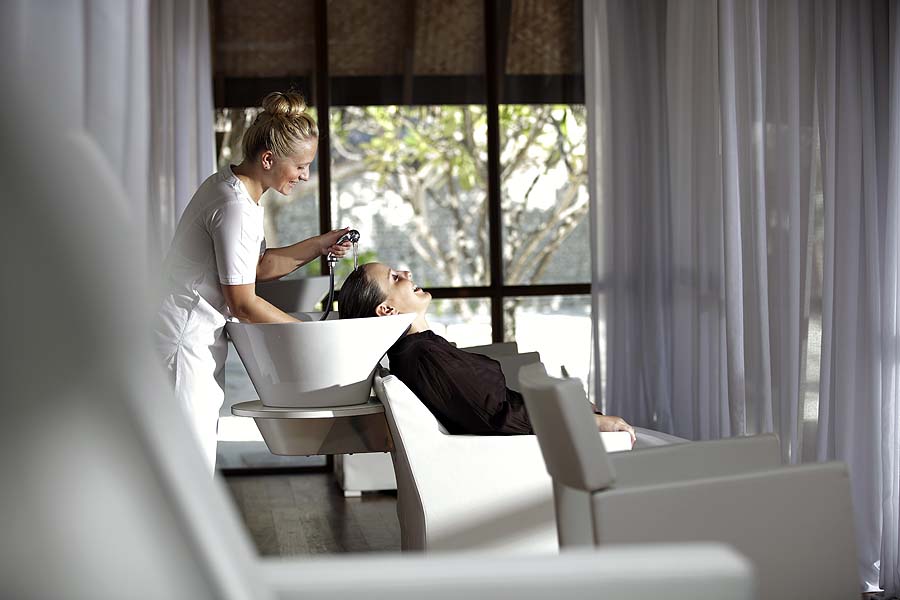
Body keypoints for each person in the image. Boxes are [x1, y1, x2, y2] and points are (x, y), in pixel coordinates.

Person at [155, 91, 351, 469]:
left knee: (183, 466)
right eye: (300, 166)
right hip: (182, 344)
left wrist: (318, 245)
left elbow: (254, 268)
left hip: (190, 339)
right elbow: (243, 303)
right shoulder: (234, 206)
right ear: (269, 159)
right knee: (186, 469)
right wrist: (308, 336)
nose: (305, 175)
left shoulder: (233, 190)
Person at [339, 263, 635, 442]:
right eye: (394, 278)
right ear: (387, 310)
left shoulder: (419, 350)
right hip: (525, 451)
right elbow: (499, 416)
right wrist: (581, 419)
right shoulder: (424, 357)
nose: (406, 273)